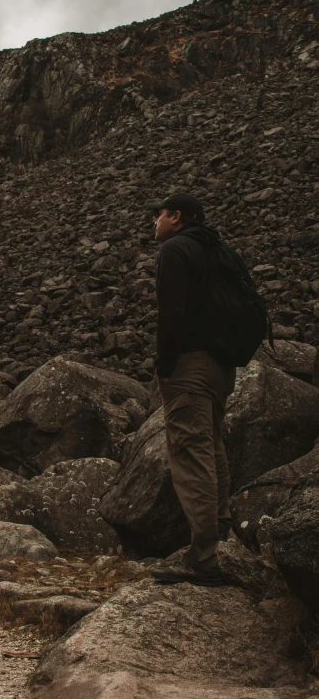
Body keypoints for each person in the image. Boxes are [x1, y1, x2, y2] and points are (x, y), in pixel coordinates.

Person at [147, 192, 236, 587]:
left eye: (160, 214)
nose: (155, 222)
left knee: (190, 451)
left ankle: (203, 560)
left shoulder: (176, 249)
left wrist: (165, 364)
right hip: (221, 366)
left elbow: (172, 311)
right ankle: (220, 533)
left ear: (177, 217)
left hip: (191, 364)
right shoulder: (216, 249)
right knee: (212, 445)